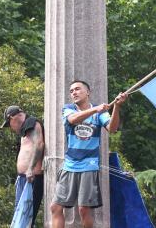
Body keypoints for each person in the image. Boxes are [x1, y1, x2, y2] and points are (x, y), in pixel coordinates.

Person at [49, 80, 127, 228]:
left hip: (89, 166)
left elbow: (112, 128)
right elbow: (72, 119)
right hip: (69, 165)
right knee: (56, 207)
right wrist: (95, 110)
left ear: (88, 92)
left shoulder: (100, 113)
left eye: (77, 89)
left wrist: (116, 106)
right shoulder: (68, 109)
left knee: (84, 209)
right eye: (71, 91)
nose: (74, 93)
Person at [3, 105, 45, 227]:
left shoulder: (32, 122)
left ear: (13, 117)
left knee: (26, 218)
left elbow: (39, 144)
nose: (10, 127)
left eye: (9, 123)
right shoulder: (24, 130)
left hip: (32, 178)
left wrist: (30, 168)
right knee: (20, 217)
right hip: (24, 179)